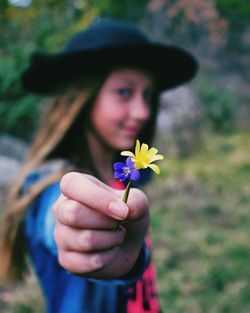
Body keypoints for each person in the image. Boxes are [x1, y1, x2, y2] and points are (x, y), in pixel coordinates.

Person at [0, 19, 198, 313]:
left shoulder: (123, 170)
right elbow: (59, 214)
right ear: (83, 97)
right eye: (124, 92)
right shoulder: (49, 184)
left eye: (148, 95)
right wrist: (79, 234)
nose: (143, 111)